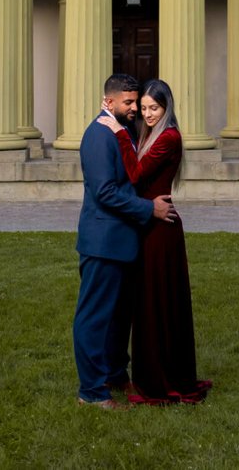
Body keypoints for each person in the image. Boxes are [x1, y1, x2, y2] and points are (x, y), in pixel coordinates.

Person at [73, 73, 175, 410]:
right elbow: (105, 193)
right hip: (103, 243)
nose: (135, 108)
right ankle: (91, 392)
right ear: (109, 101)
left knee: (119, 318)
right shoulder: (98, 135)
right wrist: (150, 209)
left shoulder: (124, 130)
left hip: (124, 242)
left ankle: (115, 375)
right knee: (94, 318)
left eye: (136, 102)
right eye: (128, 102)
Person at [112, 78, 212, 405]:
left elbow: (136, 174)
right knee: (151, 301)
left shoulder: (169, 137)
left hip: (161, 230)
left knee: (159, 301)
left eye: (154, 108)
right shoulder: (150, 134)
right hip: (150, 223)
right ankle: (156, 373)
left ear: (166, 107)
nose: (147, 114)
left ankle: (162, 379)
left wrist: (118, 133)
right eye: (143, 108)